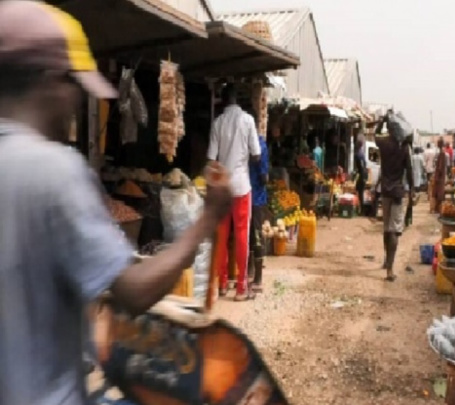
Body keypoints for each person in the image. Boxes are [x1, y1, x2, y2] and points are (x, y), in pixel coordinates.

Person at [0, 2, 233, 404]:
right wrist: (206, 219)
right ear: (53, 80)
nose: (75, 105)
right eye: (75, 88)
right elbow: (132, 291)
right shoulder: (54, 169)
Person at [207, 83, 261, 302]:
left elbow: (211, 158)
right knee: (241, 237)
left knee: (220, 237)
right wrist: (246, 156)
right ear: (237, 99)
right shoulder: (247, 120)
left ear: (224, 100)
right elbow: (256, 154)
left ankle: (220, 285)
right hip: (241, 187)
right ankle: (240, 288)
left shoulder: (217, 123)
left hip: (222, 187)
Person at [375, 112, 414, 282]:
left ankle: (386, 260)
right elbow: (410, 171)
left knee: (386, 228)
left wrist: (382, 121)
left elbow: (376, 134)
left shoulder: (384, 143)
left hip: (385, 191)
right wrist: (412, 189)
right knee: (394, 230)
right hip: (398, 192)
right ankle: (390, 269)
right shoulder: (405, 148)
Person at [248, 117, 269, 294]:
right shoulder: (259, 144)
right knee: (253, 235)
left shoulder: (257, 145)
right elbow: (264, 177)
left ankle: (257, 277)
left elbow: (263, 177)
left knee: (253, 235)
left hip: (253, 197)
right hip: (254, 198)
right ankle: (252, 273)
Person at [431, 138, 448, 214]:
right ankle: (437, 209)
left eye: (438, 143)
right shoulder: (441, 152)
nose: (437, 144)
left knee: (439, 194)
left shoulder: (442, 153)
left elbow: (440, 167)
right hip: (440, 176)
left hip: (440, 177)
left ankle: (438, 209)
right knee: (438, 193)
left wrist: (437, 176)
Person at [354, 133, 368, 212]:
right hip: (362, 174)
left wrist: (362, 176)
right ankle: (359, 207)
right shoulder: (360, 153)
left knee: (360, 191)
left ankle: (361, 209)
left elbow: (362, 166)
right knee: (359, 191)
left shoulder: (359, 154)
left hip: (362, 175)